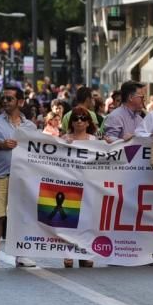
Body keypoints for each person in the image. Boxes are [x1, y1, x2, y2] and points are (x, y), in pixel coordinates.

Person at [0, 85, 38, 269]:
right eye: (3, 98)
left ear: (20, 101)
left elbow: (41, 148)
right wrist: (0, 145)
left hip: (24, 179)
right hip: (0, 175)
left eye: (9, 98)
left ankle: (22, 254)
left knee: (22, 217)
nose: (5, 101)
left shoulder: (31, 126)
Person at [59, 107, 99, 268]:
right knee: (68, 220)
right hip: (69, 185)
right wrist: (63, 145)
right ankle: (68, 252)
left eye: (83, 118)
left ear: (89, 122)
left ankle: (85, 253)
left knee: (87, 221)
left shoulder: (95, 141)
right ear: (71, 122)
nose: (79, 121)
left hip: (89, 186)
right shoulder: (64, 138)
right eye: (76, 118)